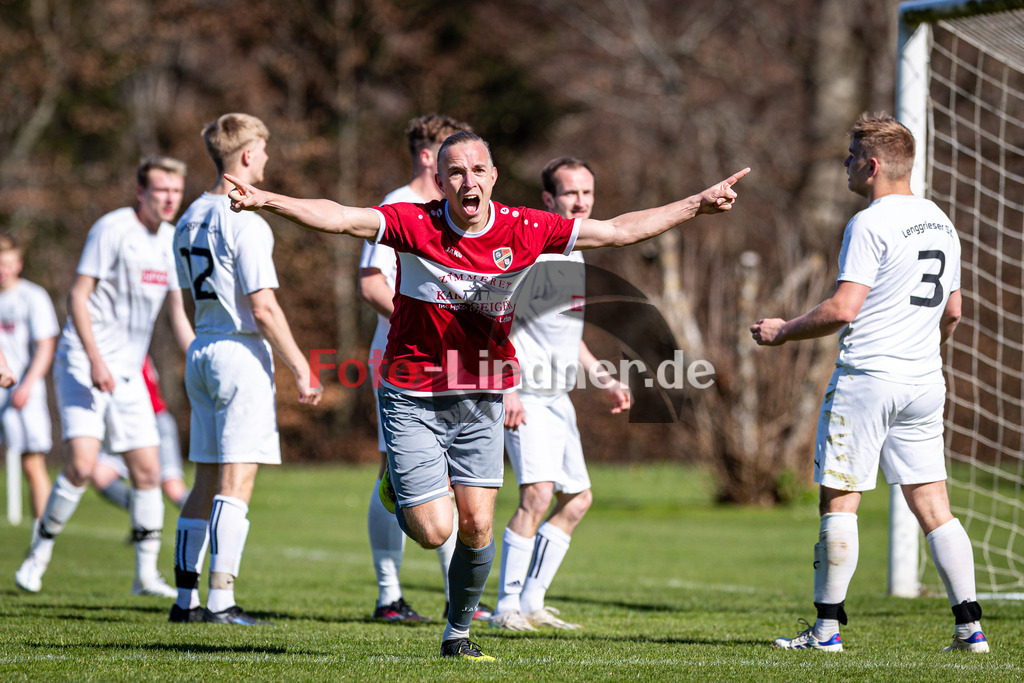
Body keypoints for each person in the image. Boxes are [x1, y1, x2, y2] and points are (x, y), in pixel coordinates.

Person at [226, 130, 748, 660]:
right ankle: (399, 484)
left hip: (482, 394)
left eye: (478, 170)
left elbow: (615, 231)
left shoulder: (525, 228)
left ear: (493, 177)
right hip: (411, 392)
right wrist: (267, 200)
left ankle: (457, 636)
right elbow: (339, 216)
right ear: (440, 180)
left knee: (476, 525)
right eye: (455, 171)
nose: (467, 180)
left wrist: (696, 205)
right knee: (434, 531)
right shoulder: (415, 222)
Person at [752, 112, 987, 654]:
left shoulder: (870, 222)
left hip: (868, 379)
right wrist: (923, 352)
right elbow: (954, 311)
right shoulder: (940, 221)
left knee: (840, 502)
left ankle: (826, 631)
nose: (846, 165)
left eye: (852, 156)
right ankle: (970, 628)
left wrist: (783, 331)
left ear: (874, 165)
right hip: (925, 381)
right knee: (933, 504)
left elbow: (843, 308)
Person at [15, 156, 195, 597]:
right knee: (79, 464)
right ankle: (38, 555)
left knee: (149, 472)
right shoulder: (112, 229)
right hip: (83, 361)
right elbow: (78, 295)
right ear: (141, 193)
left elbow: (176, 311)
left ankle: (145, 576)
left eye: (175, 190)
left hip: (130, 373)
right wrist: (95, 358)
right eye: (160, 191)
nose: (169, 198)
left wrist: (198, 356)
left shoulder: (171, 242)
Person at [169, 113, 322, 626]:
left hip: (202, 345)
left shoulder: (188, 216)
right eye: (265, 149)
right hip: (238, 352)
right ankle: (221, 601)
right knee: (236, 482)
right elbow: (264, 307)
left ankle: (184, 601)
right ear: (249, 154)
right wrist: (301, 365)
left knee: (204, 478)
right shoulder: (247, 220)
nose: (268, 158)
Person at [489, 157, 631, 633]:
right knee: (537, 495)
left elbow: (567, 335)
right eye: (571, 194)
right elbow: (496, 322)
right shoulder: (534, 253)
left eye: (587, 193)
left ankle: (532, 603)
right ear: (548, 200)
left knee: (579, 499)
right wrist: (506, 386)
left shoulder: (575, 254)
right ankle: (505, 608)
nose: (582, 202)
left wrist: (603, 377)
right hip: (525, 394)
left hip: (558, 397)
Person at [358, 114, 490, 623]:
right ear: (426, 156)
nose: (464, 173)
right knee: (394, 473)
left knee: (460, 480)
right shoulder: (397, 206)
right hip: (403, 360)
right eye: (449, 156)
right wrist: (433, 327)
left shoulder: (465, 213)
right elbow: (372, 283)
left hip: (457, 366)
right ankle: (389, 594)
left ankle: (457, 596)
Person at [0, 235, 59, 522]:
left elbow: (45, 347)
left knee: (32, 462)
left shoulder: (33, 296)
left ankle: (42, 535)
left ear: (19, 264)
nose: (3, 270)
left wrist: (26, 385)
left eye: (8, 264)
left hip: (22, 392)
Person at [92, 356, 189, 510]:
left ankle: (208, 525)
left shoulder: (129, 349)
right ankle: (147, 519)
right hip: (122, 423)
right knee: (101, 475)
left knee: (172, 487)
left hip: (153, 420)